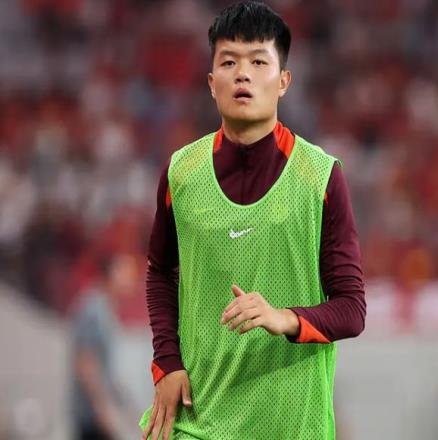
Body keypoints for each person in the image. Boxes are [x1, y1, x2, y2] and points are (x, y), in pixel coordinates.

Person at [140, 2, 366, 439]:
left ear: (284, 81)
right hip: (198, 419)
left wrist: (283, 318)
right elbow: (160, 272)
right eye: (229, 62)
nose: (242, 74)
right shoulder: (181, 173)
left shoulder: (321, 178)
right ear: (212, 83)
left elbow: (352, 310)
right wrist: (166, 362)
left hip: (291, 425)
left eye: (259, 62)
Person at [70, 254, 139, 440]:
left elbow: (106, 370)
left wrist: (129, 409)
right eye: (127, 274)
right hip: (92, 419)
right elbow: (85, 363)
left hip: (101, 415)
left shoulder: (107, 309)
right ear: (112, 273)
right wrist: (102, 410)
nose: (132, 281)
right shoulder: (93, 308)